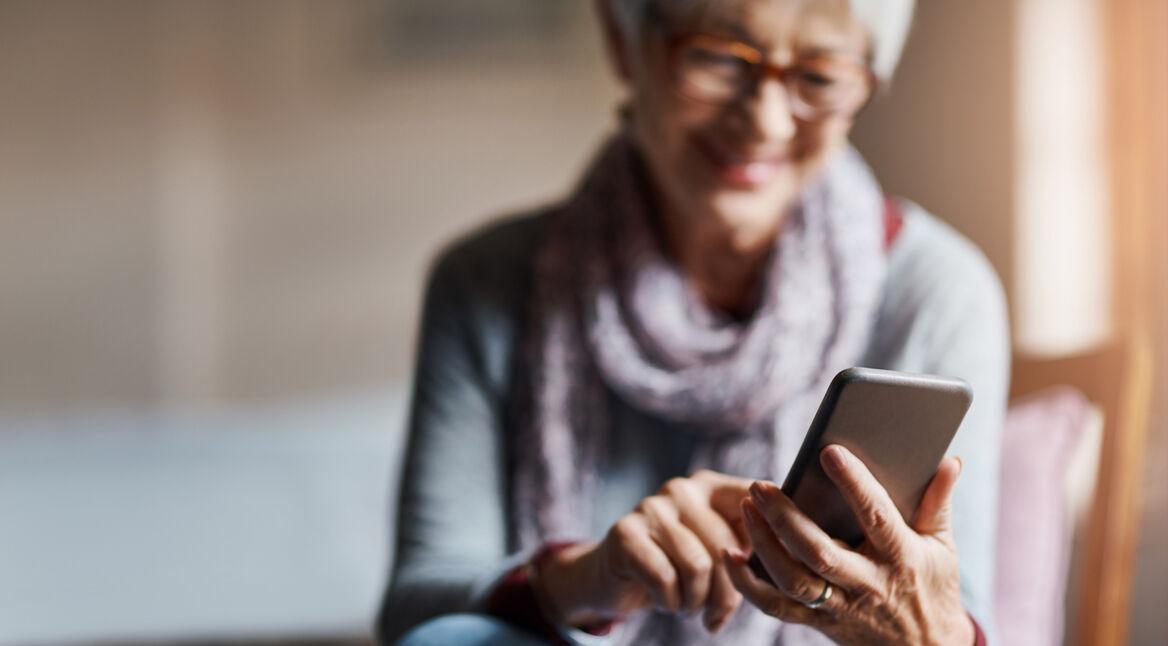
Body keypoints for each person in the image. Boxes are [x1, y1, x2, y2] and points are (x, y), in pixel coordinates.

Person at [378, 0, 1008, 644]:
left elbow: (962, 616)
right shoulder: (485, 282)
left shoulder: (937, 290)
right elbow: (417, 610)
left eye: (819, 77)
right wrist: (587, 576)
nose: (763, 121)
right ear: (622, 42)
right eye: (718, 58)